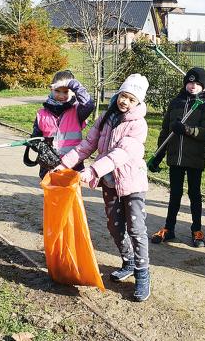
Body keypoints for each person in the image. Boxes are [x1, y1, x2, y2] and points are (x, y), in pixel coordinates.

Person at [58, 74, 152, 302]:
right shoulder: (107, 118)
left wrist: (91, 171)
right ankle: (128, 261)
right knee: (114, 226)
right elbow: (88, 144)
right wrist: (63, 165)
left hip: (132, 184)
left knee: (136, 229)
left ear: (138, 102)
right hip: (109, 182)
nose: (125, 102)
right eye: (123, 96)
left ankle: (142, 273)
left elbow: (120, 154)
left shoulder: (138, 125)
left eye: (131, 99)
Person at [148, 67, 205, 248]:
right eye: (190, 82)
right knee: (175, 194)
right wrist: (158, 155)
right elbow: (165, 131)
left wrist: (187, 130)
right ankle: (169, 228)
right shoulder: (175, 103)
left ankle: (197, 229)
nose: (193, 86)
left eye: (197, 84)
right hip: (175, 158)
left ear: (203, 86)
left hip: (194, 159)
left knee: (195, 194)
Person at [31, 70, 94, 178]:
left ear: (73, 92)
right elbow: (35, 139)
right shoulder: (41, 114)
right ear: (51, 89)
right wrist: (37, 145)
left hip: (73, 164)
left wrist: (73, 84)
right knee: (52, 194)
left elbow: (89, 104)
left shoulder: (78, 111)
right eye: (57, 90)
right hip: (49, 166)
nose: (61, 95)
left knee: (70, 195)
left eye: (65, 91)